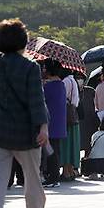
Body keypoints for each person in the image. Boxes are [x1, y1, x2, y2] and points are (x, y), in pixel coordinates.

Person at [0, 19, 49, 208]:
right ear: (23, 40)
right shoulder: (31, 67)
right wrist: (43, 127)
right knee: (33, 182)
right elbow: (36, 99)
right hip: (26, 134)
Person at [40, 59, 66, 188]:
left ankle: (53, 177)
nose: (43, 70)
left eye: (44, 68)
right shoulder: (61, 84)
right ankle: (54, 176)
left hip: (50, 123)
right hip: (59, 122)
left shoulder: (48, 86)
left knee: (50, 151)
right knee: (55, 150)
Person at [60, 71, 81, 182]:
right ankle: (70, 170)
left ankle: (66, 172)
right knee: (72, 144)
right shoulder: (73, 81)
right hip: (73, 114)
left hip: (66, 115)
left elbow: (62, 98)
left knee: (66, 144)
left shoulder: (65, 82)